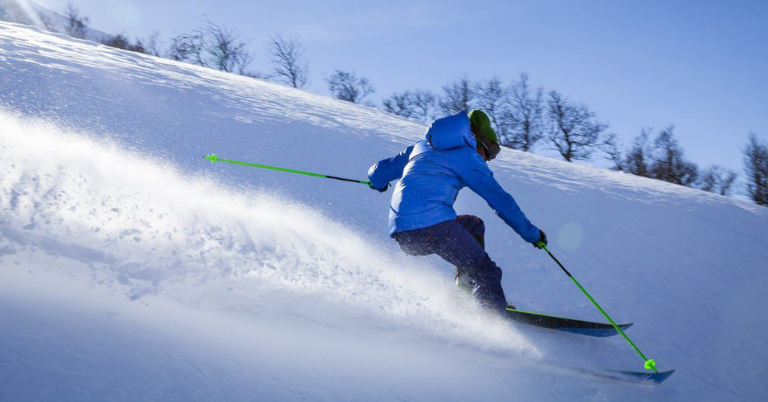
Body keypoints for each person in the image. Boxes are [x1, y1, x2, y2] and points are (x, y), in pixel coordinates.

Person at [367, 110, 547, 313]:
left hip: (403, 235)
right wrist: (532, 234)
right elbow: (500, 201)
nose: (488, 159)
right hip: (433, 227)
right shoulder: (468, 157)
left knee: (474, 225)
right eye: (492, 152)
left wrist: (378, 183)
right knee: (486, 271)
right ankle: (491, 318)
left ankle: (464, 293)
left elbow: (379, 172)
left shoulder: (422, 146)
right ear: (481, 140)